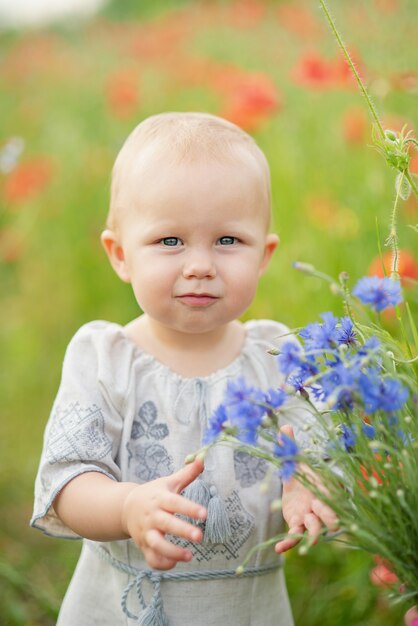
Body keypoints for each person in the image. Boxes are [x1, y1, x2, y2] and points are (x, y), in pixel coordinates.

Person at [30, 112, 335, 626]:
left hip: (248, 611)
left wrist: (308, 479)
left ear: (264, 254)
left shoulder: (278, 358)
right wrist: (126, 507)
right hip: (123, 609)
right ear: (121, 254)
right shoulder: (106, 357)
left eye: (228, 241)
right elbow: (67, 481)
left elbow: (320, 444)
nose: (200, 264)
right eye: (170, 241)